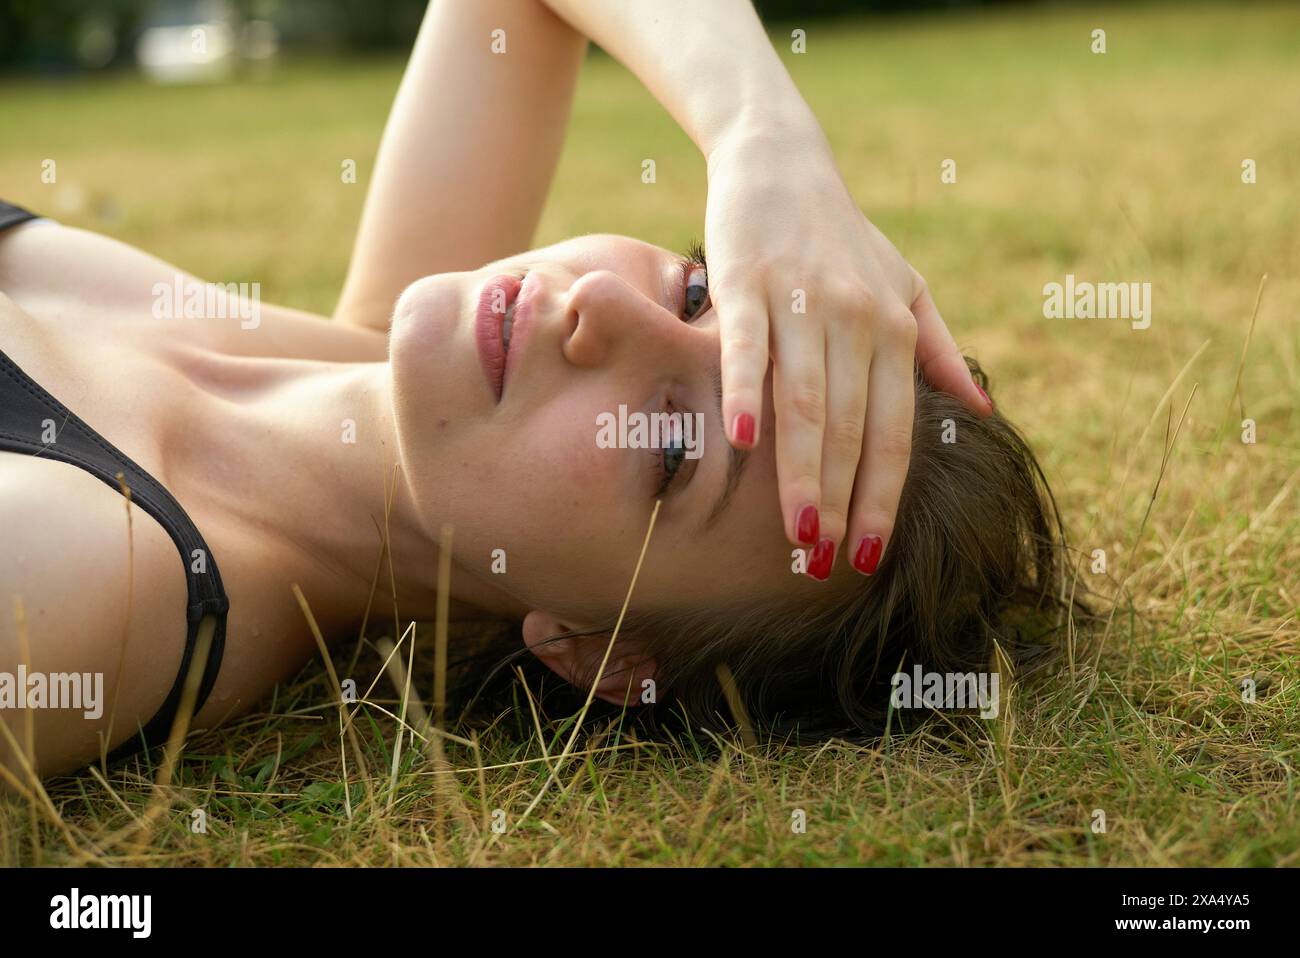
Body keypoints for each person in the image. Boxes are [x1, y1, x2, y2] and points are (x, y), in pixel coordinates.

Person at [0, 0, 1065, 781]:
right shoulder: (361, 355)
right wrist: (761, 140)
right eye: (702, 291)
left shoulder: (95, 578)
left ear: (600, 652)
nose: (600, 307)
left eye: (672, 446)